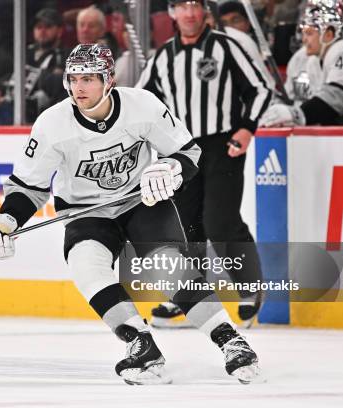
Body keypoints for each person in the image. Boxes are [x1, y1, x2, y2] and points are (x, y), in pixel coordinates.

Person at [0, 43, 261, 385]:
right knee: (87, 266)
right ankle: (140, 344)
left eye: (88, 78)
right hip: (86, 213)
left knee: (168, 270)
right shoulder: (52, 124)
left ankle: (231, 341)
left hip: (141, 202)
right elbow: (28, 187)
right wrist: (5, 221)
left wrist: (170, 169)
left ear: (108, 80)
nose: (78, 87)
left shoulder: (142, 106)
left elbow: (188, 152)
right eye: (73, 78)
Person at [137, 0, 272, 327]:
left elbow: (260, 88)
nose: (189, 13)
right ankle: (190, 300)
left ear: (204, 11)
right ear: (171, 13)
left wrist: (246, 128)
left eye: (195, 5)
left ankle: (249, 288)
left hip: (221, 145)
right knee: (185, 228)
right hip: (180, 152)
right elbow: (139, 102)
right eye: (181, 6)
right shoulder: (162, 57)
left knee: (220, 221)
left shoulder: (227, 47)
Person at [260, 0, 343, 126]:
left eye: (309, 33)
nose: (304, 39)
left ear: (328, 34)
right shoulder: (310, 60)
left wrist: (297, 114)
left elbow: (335, 99)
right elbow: (309, 102)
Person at [25, 8, 69, 121]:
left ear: (60, 31)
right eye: (39, 27)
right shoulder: (24, 54)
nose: (42, 31)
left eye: (48, 27)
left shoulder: (67, 56)